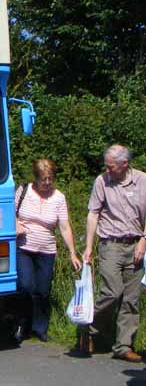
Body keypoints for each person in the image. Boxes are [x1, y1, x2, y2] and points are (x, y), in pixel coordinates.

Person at [79, 144, 146, 362]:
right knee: (112, 292)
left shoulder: (142, 181)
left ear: (124, 164)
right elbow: (93, 214)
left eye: (111, 167)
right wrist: (88, 247)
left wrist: (143, 240)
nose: (107, 170)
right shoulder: (102, 181)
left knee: (131, 299)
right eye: (106, 166)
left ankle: (123, 346)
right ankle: (88, 327)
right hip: (110, 244)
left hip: (136, 244)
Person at [14, 159, 82, 343]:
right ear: (36, 178)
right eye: (44, 179)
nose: (47, 183)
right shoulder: (23, 191)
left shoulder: (58, 197)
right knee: (26, 285)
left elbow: (65, 226)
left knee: (43, 291)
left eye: (50, 179)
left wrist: (72, 252)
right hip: (24, 247)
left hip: (47, 249)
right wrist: (16, 224)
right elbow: (10, 213)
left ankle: (40, 327)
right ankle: (22, 324)